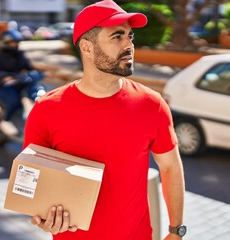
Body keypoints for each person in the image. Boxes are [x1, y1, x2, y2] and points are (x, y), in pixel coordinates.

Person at [23, 0, 186, 239]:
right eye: (117, 37)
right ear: (87, 48)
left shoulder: (152, 104)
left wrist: (176, 230)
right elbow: (32, 183)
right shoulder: (46, 110)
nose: (129, 44)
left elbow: (170, 167)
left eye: (130, 36)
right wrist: (43, 219)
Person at [0, 29, 45, 135]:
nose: (14, 45)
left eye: (16, 42)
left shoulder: (20, 54)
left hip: (23, 82)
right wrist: (6, 77)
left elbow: (28, 67)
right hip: (9, 85)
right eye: (12, 43)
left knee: (39, 95)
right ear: (5, 43)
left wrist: (35, 73)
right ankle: (6, 121)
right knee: (14, 102)